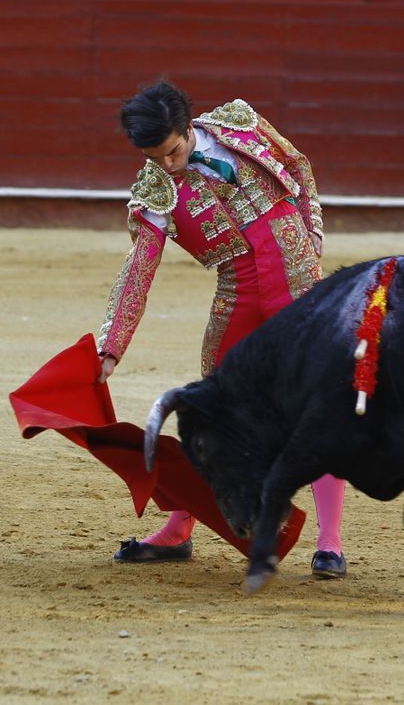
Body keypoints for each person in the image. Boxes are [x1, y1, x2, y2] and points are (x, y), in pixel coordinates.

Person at [97, 81, 345, 580]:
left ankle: (330, 543)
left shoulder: (241, 123)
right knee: (209, 414)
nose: (166, 166)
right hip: (239, 293)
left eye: (171, 151)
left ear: (187, 127)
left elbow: (298, 168)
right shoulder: (154, 190)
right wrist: (111, 346)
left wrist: (311, 230)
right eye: (153, 158)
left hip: (299, 284)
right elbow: (138, 270)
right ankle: (179, 528)